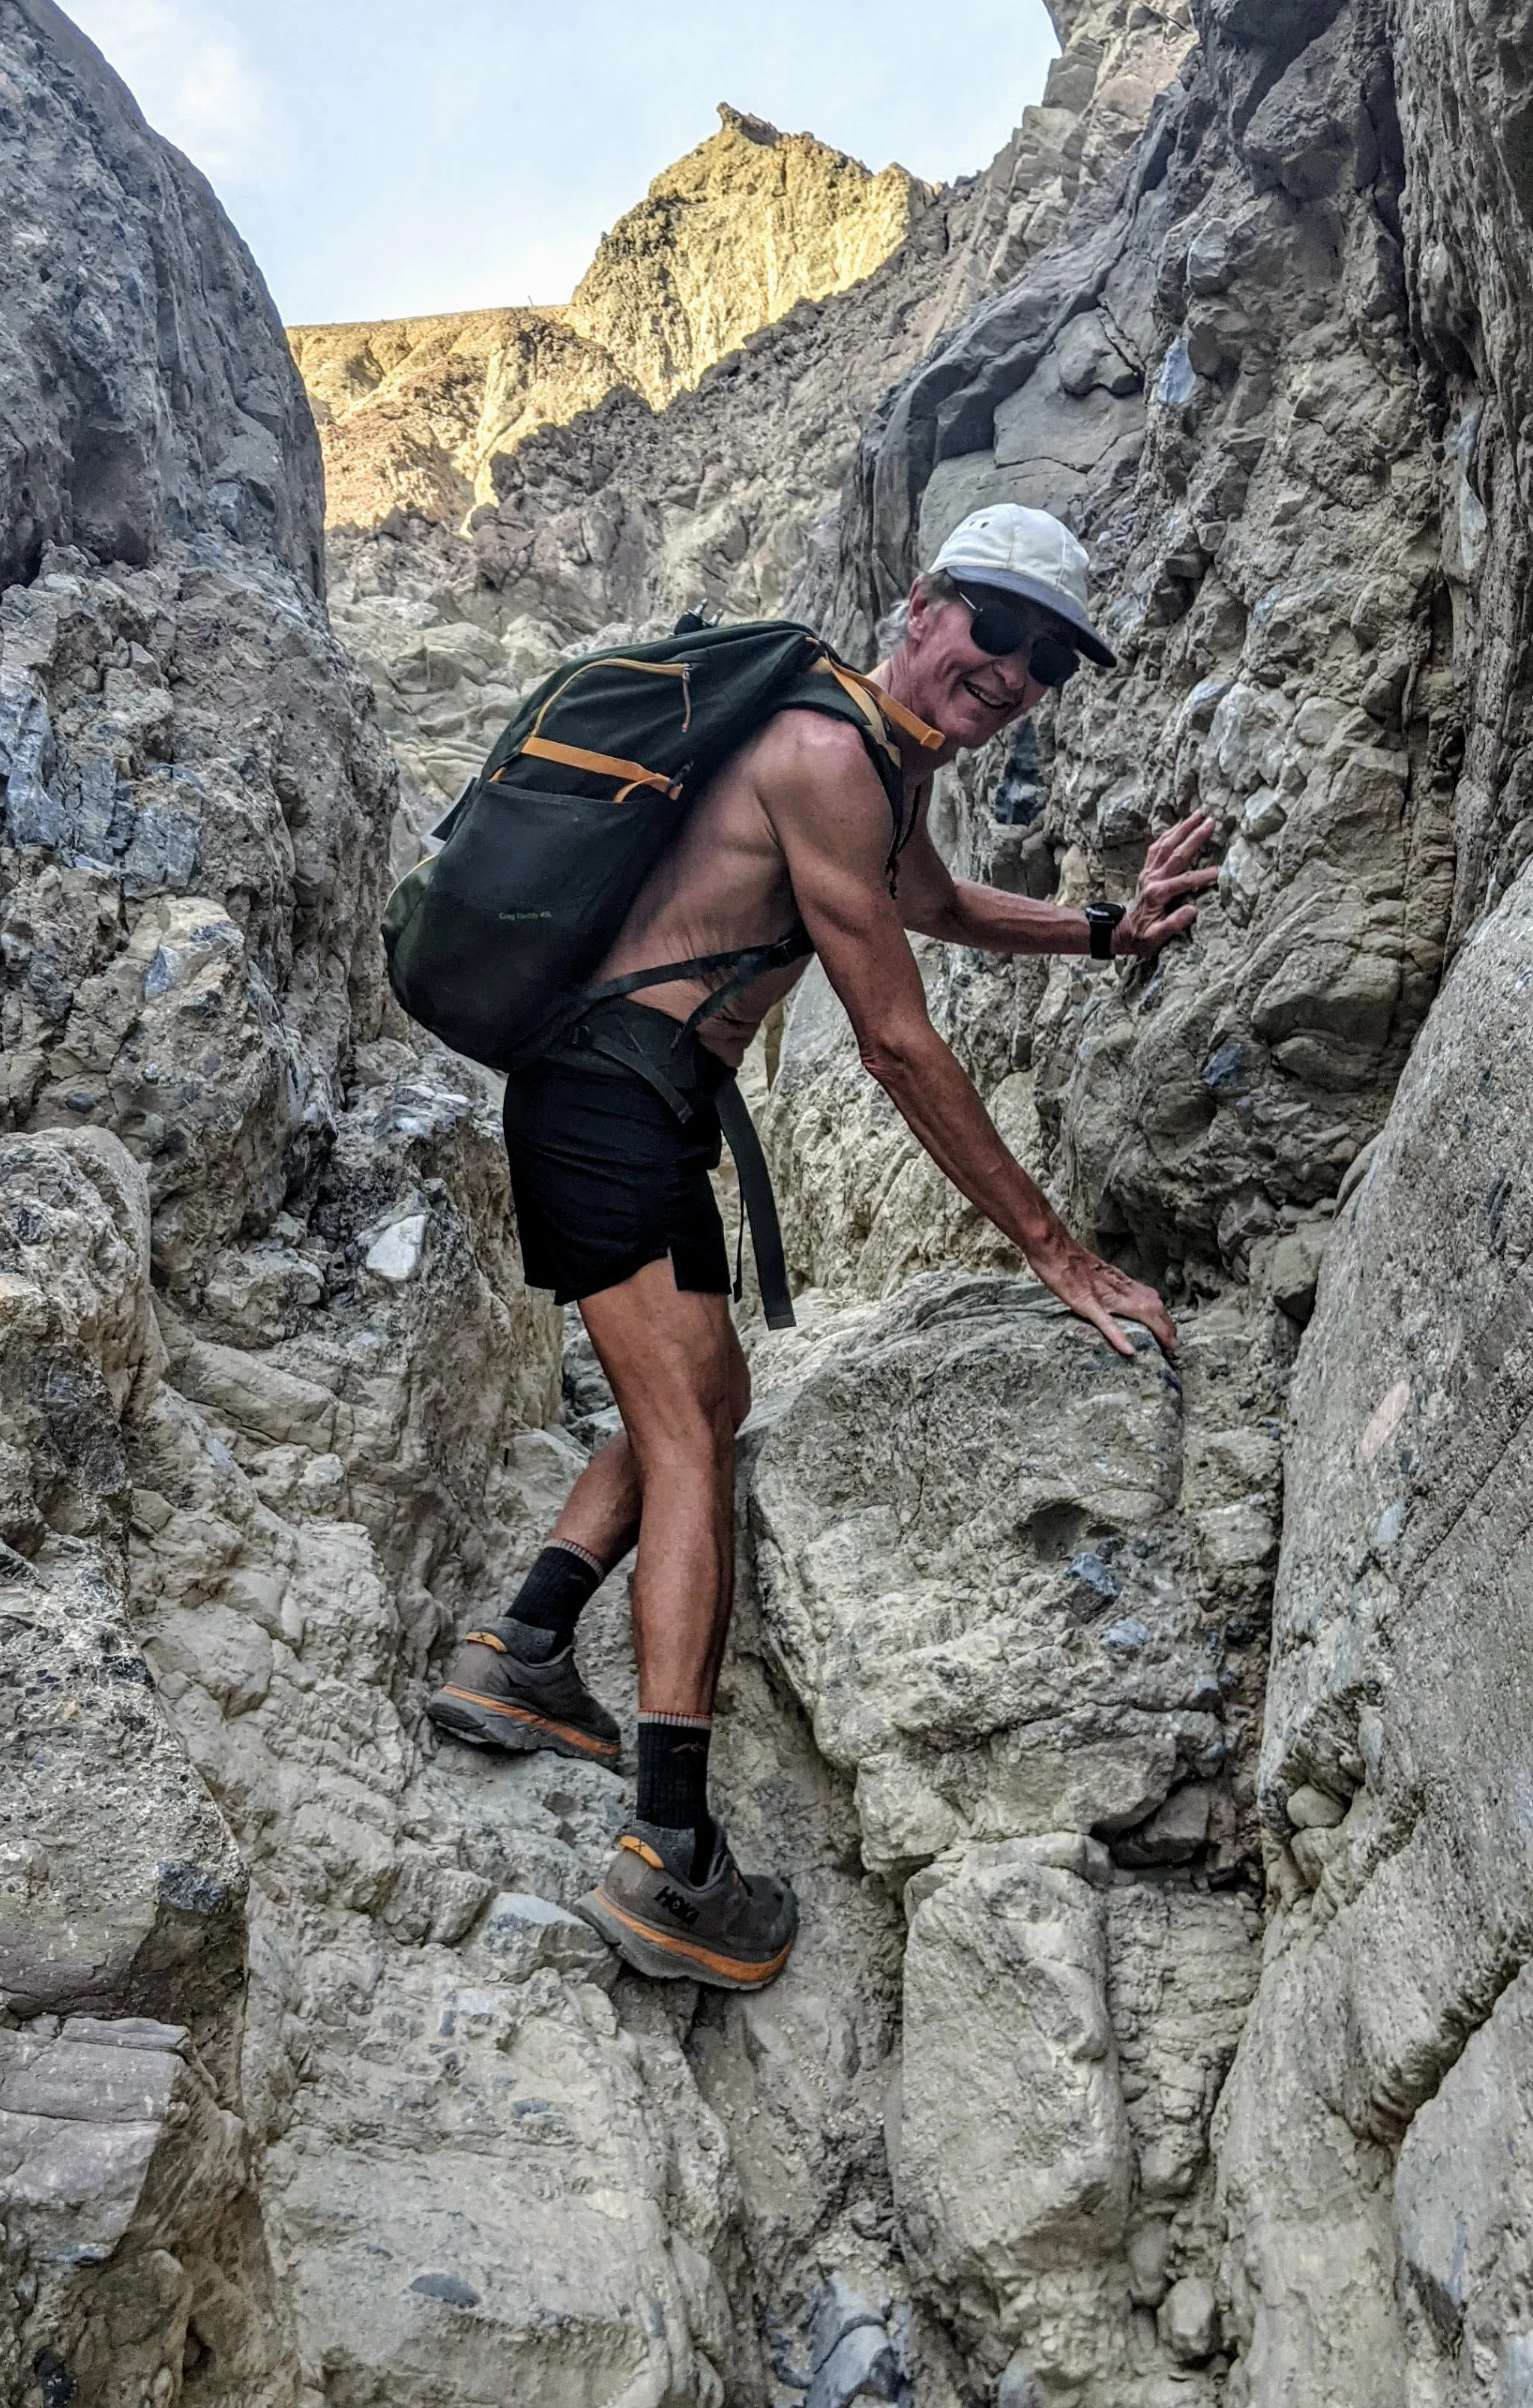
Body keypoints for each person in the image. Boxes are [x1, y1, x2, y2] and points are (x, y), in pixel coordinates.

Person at [427, 504, 1218, 1989]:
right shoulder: (825, 757)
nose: (1015, 672)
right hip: (608, 1105)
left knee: (704, 1400)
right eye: (998, 627)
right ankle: (672, 1856)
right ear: (924, 602)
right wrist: (1056, 1253)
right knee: (686, 1445)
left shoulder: (874, 764)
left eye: (1047, 659)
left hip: (634, 1107)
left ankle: (524, 1654)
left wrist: (1105, 932)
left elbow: (929, 905)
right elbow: (901, 1042)